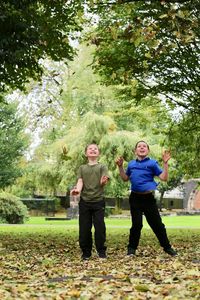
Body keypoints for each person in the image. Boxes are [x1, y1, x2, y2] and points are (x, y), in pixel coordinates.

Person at [116, 140, 177, 257]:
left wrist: (165, 163)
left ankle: (167, 247)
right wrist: (120, 167)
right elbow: (125, 178)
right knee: (137, 225)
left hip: (148, 199)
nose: (142, 148)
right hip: (135, 198)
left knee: (157, 225)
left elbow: (164, 178)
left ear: (148, 150)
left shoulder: (153, 163)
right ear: (135, 151)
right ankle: (131, 249)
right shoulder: (131, 164)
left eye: (144, 146)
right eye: (139, 146)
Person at [71, 143, 110, 260]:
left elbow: (103, 181)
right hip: (85, 202)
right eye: (90, 149)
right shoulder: (82, 168)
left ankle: (101, 251)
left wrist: (103, 181)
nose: (93, 150)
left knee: (100, 228)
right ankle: (86, 252)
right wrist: (77, 190)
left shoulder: (102, 167)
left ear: (98, 153)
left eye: (95, 149)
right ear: (86, 153)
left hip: (98, 201)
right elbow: (80, 181)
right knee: (84, 228)